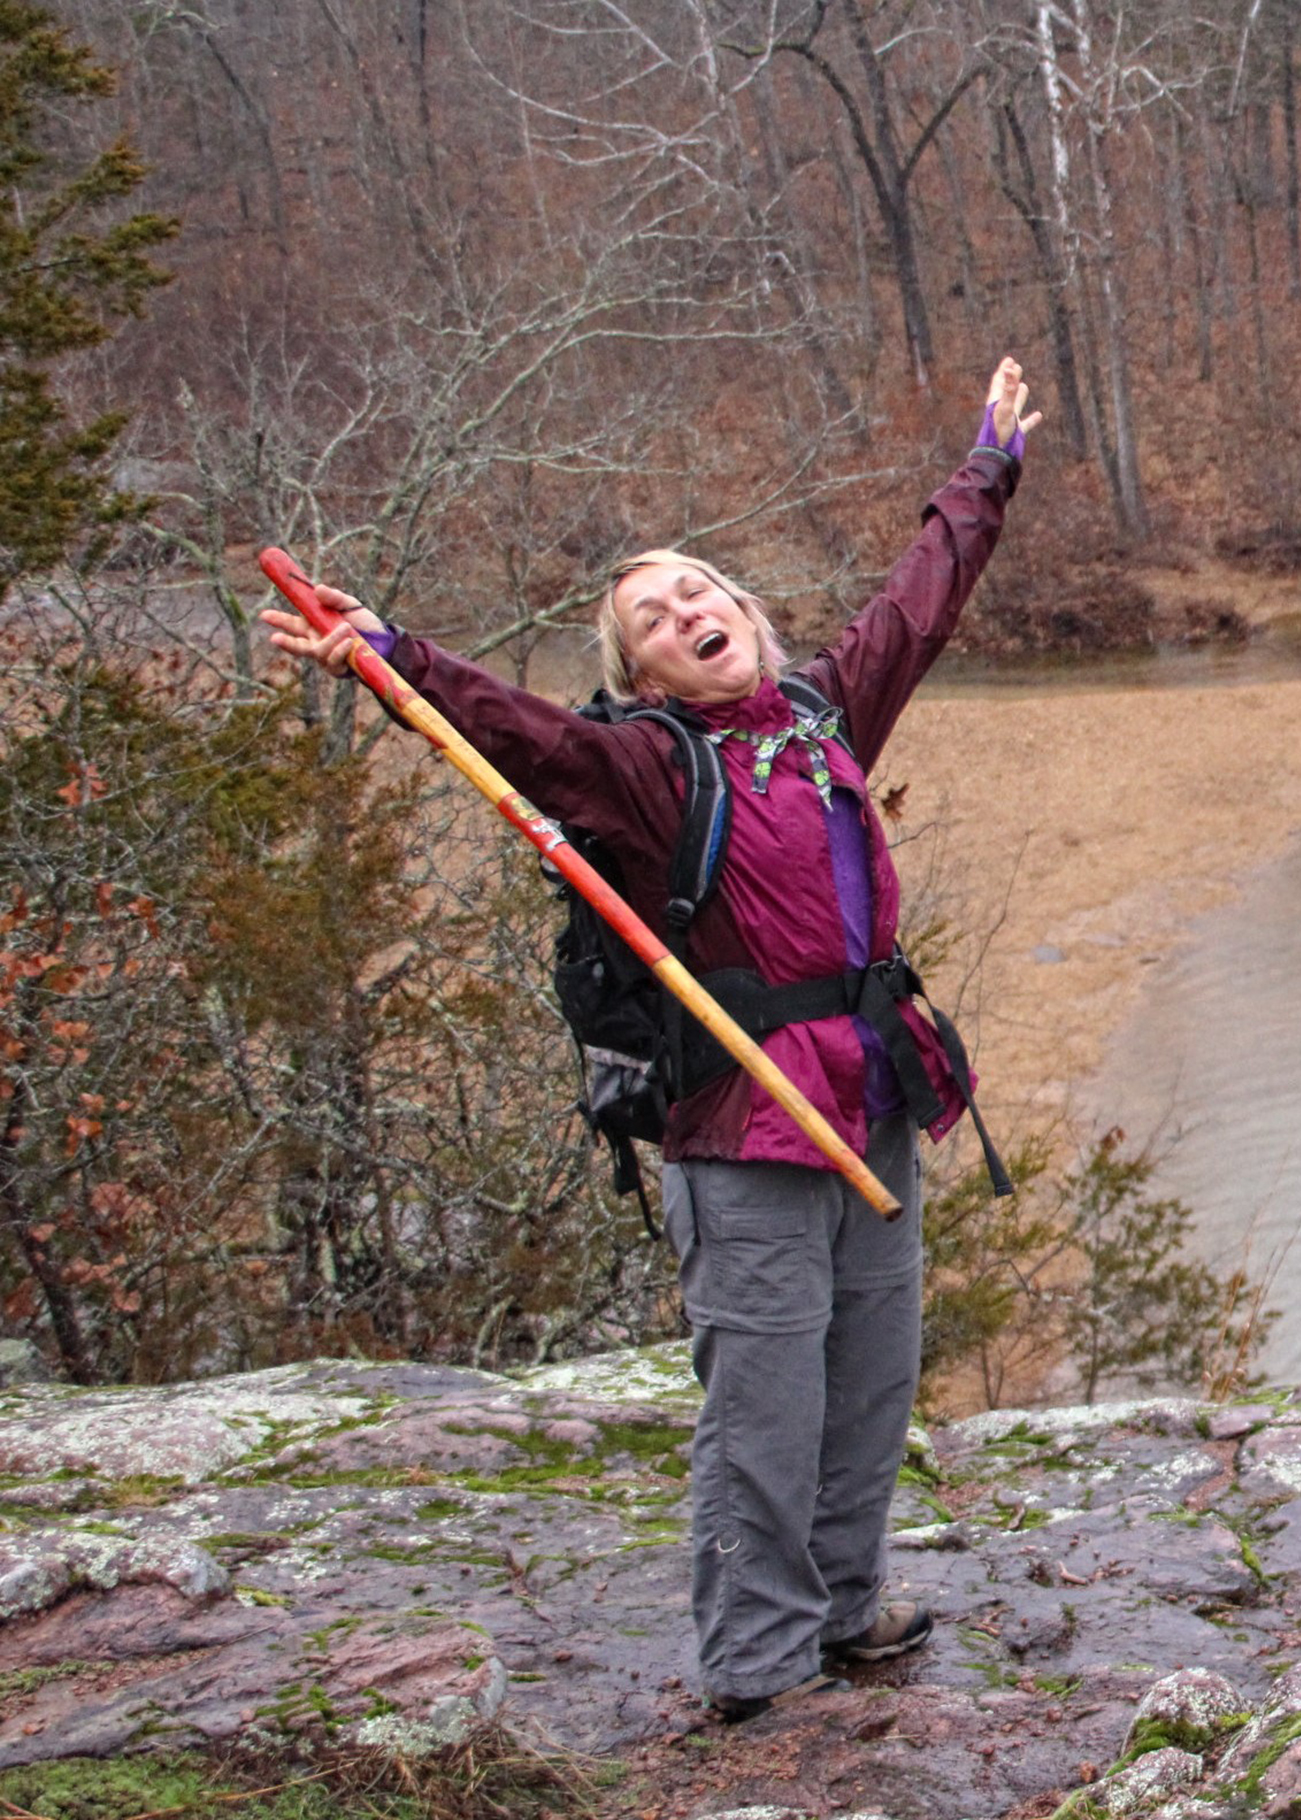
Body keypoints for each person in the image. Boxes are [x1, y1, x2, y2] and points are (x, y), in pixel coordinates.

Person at [265, 357, 1040, 1722]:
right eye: (654, 617)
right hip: (745, 1123)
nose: (687, 612)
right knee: (764, 1402)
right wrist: (390, 656)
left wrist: (987, 469)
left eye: (700, 592)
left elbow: (917, 607)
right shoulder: (645, 765)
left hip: (868, 1092)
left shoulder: (817, 716)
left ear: (746, 615)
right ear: (643, 671)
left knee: (869, 1380)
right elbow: (517, 732)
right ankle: (755, 1660)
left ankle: (849, 1607)